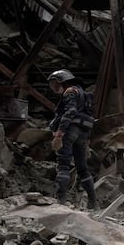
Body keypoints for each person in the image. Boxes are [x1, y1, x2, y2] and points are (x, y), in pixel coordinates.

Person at [47, 69, 96, 209]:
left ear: (63, 81)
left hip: (70, 131)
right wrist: (87, 141)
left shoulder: (69, 92)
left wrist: (59, 133)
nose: (54, 88)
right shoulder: (84, 94)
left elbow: (71, 111)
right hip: (83, 133)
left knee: (63, 165)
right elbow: (88, 117)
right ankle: (93, 203)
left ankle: (60, 202)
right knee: (83, 168)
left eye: (55, 84)